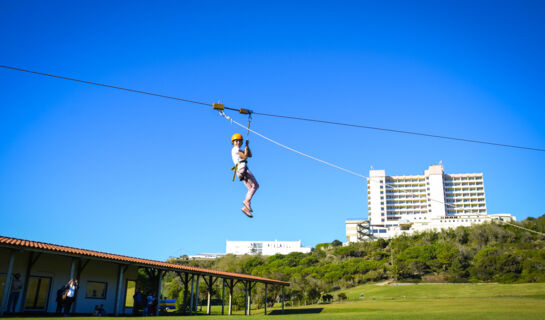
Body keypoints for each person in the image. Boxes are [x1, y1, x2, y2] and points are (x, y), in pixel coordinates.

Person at [231, 133, 259, 217]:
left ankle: (246, 208)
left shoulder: (238, 150)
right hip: (243, 169)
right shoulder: (235, 149)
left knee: (250, 188)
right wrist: (246, 148)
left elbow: (249, 155)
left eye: (239, 141)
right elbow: (245, 156)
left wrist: (247, 146)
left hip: (239, 172)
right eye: (236, 141)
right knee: (255, 185)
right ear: (233, 142)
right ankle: (247, 201)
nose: (237, 143)